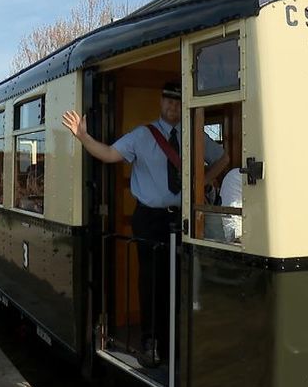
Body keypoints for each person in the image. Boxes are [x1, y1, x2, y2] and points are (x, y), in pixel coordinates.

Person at [62, 81, 228, 368]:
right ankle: (151, 342)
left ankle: (176, 341)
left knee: (180, 281)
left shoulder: (193, 134)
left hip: (183, 217)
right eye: (168, 101)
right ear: (161, 103)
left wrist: (204, 182)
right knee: (152, 281)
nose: (172, 106)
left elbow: (223, 158)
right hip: (150, 218)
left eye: (177, 102)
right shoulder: (142, 135)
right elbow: (110, 155)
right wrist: (83, 137)